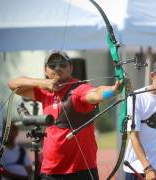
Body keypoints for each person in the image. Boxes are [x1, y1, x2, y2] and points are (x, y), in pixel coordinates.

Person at [7, 50, 121, 180]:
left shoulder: (79, 89)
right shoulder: (44, 91)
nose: (58, 68)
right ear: (45, 70)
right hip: (50, 170)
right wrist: (43, 83)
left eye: (62, 64)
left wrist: (113, 91)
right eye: (52, 65)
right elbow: (13, 84)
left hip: (80, 171)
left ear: (71, 68)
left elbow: (97, 93)